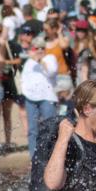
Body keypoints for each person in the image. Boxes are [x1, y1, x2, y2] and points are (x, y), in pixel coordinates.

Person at [22, 35, 59, 164]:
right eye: (36, 47)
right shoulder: (29, 62)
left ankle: (52, 156)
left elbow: (52, 72)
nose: (39, 50)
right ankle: (35, 159)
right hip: (31, 99)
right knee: (33, 130)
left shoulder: (50, 58)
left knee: (51, 128)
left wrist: (40, 61)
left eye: (42, 47)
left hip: (47, 98)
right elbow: (24, 80)